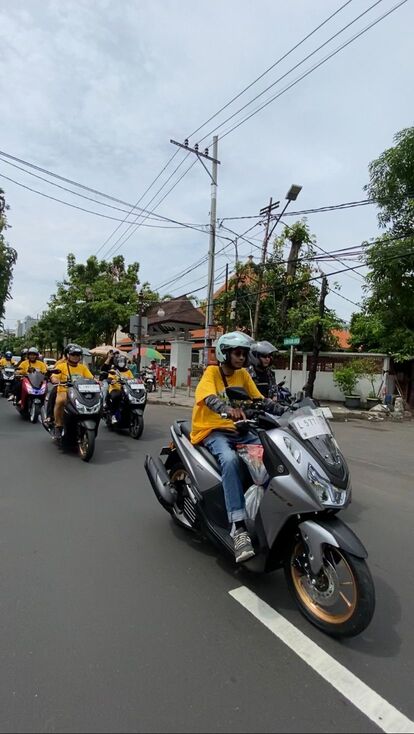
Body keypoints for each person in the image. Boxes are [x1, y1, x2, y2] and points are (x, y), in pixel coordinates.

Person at [190, 331, 282, 563]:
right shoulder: (212, 372)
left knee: (273, 452)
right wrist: (226, 409)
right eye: (237, 353)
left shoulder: (243, 374)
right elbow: (208, 397)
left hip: (239, 429)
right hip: (212, 430)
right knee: (230, 460)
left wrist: (283, 409)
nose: (242, 357)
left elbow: (259, 399)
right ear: (225, 354)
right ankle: (238, 527)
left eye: (244, 354)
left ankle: (266, 508)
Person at [50, 344, 94, 439]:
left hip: (80, 392)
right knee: (60, 401)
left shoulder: (83, 367)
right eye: (73, 354)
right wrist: (55, 380)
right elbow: (54, 377)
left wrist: (97, 382)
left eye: (77, 355)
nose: (75, 357)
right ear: (67, 355)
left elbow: (91, 378)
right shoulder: (61, 366)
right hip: (64, 391)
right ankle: (58, 425)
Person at [107, 354, 134, 423]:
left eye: (122, 361)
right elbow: (109, 378)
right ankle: (113, 415)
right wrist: (111, 381)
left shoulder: (128, 371)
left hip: (126, 389)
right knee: (116, 396)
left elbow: (132, 379)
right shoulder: (114, 370)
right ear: (116, 362)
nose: (121, 363)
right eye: (120, 361)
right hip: (115, 389)